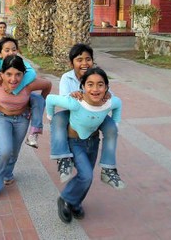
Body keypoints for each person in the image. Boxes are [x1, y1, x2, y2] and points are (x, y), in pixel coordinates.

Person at [46, 67, 122, 223]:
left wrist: (114, 124)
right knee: (86, 176)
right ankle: (65, 199)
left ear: (107, 88)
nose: (95, 89)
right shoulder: (76, 102)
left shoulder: (109, 102)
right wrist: (51, 117)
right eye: (90, 84)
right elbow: (50, 99)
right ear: (82, 86)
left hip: (93, 142)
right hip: (74, 143)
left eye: (100, 85)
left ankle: (74, 202)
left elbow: (118, 104)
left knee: (86, 177)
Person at [50, 43, 125, 189]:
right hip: (74, 112)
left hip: (95, 112)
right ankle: (63, 157)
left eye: (88, 59)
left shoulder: (97, 75)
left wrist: (108, 95)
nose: (84, 63)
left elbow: (111, 97)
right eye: (79, 59)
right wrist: (72, 96)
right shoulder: (67, 78)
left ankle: (108, 168)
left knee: (111, 128)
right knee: (58, 119)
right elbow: (63, 101)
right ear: (72, 63)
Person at [0, 55, 51, 197]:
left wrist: (39, 103)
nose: (13, 79)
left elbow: (47, 85)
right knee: (5, 151)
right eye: (8, 74)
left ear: (24, 74)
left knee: (14, 151)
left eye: (18, 74)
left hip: (22, 119)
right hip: (2, 118)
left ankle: (8, 173)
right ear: (2, 73)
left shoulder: (29, 85)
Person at [0, 37, 45, 149]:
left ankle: (34, 133)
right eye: (7, 50)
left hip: (21, 104)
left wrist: (15, 87)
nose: (11, 52)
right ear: (0, 54)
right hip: (0, 103)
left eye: (14, 49)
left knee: (38, 99)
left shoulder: (21, 63)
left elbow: (32, 74)